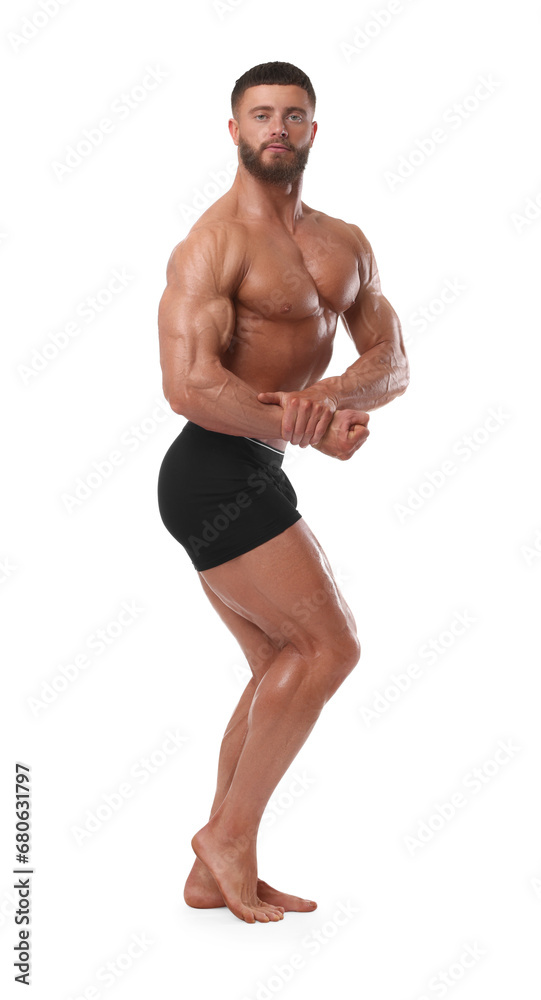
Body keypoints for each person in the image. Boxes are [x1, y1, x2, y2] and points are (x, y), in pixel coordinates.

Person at [157, 60, 409, 924]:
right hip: (209, 471)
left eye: (292, 115)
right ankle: (225, 836)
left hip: (256, 464)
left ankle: (212, 870)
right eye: (260, 114)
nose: (277, 127)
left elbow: (391, 361)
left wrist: (328, 403)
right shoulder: (213, 244)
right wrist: (302, 426)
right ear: (233, 131)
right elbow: (188, 385)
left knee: (277, 664)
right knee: (329, 649)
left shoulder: (344, 243)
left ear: (311, 130)